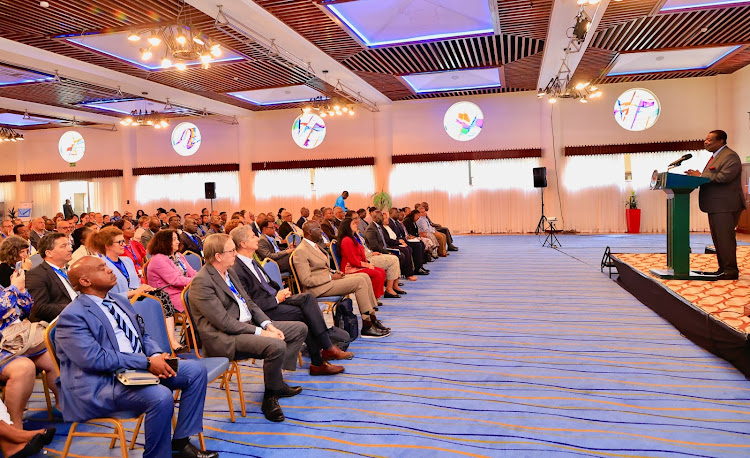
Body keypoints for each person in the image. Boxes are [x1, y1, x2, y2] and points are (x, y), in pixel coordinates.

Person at [54, 256, 216, 458]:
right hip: (102, 383)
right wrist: (147, 362)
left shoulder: (118, 300)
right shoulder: (72, 316)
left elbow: (143, 335)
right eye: (101, 268)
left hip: (135, 370)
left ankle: (180, 443)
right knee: (160, 397)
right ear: (85, 281)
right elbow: (94, 359)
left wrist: (155, 354)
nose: (110, 270)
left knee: (195, 370)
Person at [188, 234, 307, 422]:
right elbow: (224, 323)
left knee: (299, 329)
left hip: (246, 326)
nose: (236, 253)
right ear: (218, 256)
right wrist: (262, 332)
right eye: (231, 250)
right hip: (224, 337)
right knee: (275, 345)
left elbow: (250, 303)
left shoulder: (229, 271)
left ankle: (276, 381)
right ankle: (270, 396)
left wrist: (268, 324)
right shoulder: (202, 282)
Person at [230, 226, 351, 376]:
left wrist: (280, 293)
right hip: (265, 311)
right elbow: (249, 304)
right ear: (243, 243)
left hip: (275, 300)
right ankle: (319, 359)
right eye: (253, 236)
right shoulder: (237, 269)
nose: (257, 238)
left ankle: (324, 351)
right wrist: (276, 299)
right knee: (304, 315)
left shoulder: (251, 261)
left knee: (307, 298)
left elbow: (268, 285)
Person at [293, 221, 390, 338]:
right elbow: (306, 280)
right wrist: (330, 277)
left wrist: (334, 272)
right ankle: (367, 325)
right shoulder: (301, 251)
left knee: (364, 276)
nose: (321, 231)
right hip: (318, 288)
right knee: (359, 282)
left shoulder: (314, 246)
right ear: (309, 232)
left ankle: (372, 318)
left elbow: (322, 268)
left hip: (329, 281)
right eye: (318, 228)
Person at [0, 267, 61, 424]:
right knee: (24, 367)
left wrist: (21, 290)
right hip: (3, 346)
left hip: (13, 340)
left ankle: (64, 404)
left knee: (49, 355)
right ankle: (14, 427)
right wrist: (13, 288)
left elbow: (23, 312)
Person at [686, 129, 746, 280]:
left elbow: (724, 177)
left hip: (725, 206)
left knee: (725, 238)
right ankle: (723, 269)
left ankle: (730, 271)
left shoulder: (730, 156)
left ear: (721, 141)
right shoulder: (716, 156)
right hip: (716, 206)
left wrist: (700, 175)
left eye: (709, 140)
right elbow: (713, 176)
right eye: (705, 139)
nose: (706, 142)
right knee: (719, 239)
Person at [146, 230, 198, 351]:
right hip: (168, 297)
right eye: (174, 239)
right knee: (204, 300)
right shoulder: (158, 259)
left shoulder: (179, 256)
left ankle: (198, 335)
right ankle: (199, 336)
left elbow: (192, 273)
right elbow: (176, 280)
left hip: (183, 292)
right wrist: (199, 281)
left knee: (207, 297)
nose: (178, 242)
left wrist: (199, 278)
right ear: (165, 242)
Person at [338, 217, 397, 298]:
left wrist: (368, 263)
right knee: (377, 273)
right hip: (350, 268)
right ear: (347, 227)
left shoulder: (353, 238)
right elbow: (353, 261)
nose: (356, 225)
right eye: (353, 224)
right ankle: (372, 299)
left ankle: (374, 298)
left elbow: (360, 254)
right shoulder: (346, 240)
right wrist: (367, 265)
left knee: (381, 271)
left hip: (357, 265)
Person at [89, 227, 153, 299]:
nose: (124, 245)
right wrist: (134, 292)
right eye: (120, 242)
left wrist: (145, 288)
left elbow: (136, 283)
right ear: (107, 246)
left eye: (123, 241)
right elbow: (107, 296)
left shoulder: (128, 260)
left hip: (137, 300)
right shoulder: (101, 266)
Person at [27, 233, 76, 322]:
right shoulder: (37, 275)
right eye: (63, 246)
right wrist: (75, 308)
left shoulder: (71, 269)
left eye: (69, 244)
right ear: (49, 253)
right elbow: (40, 308)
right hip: (62, 322)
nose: (70, 249)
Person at [365, 210, 416, 283]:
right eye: (381, 217)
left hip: (385, 248)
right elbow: (374, 246)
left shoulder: (379, 227)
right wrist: (387, 252)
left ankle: (394, 280)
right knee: (400, 255)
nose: (383, 219)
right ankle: (391, 281)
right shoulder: (371, 229)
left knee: (402, 253)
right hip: (377, 251)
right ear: (375, 217)